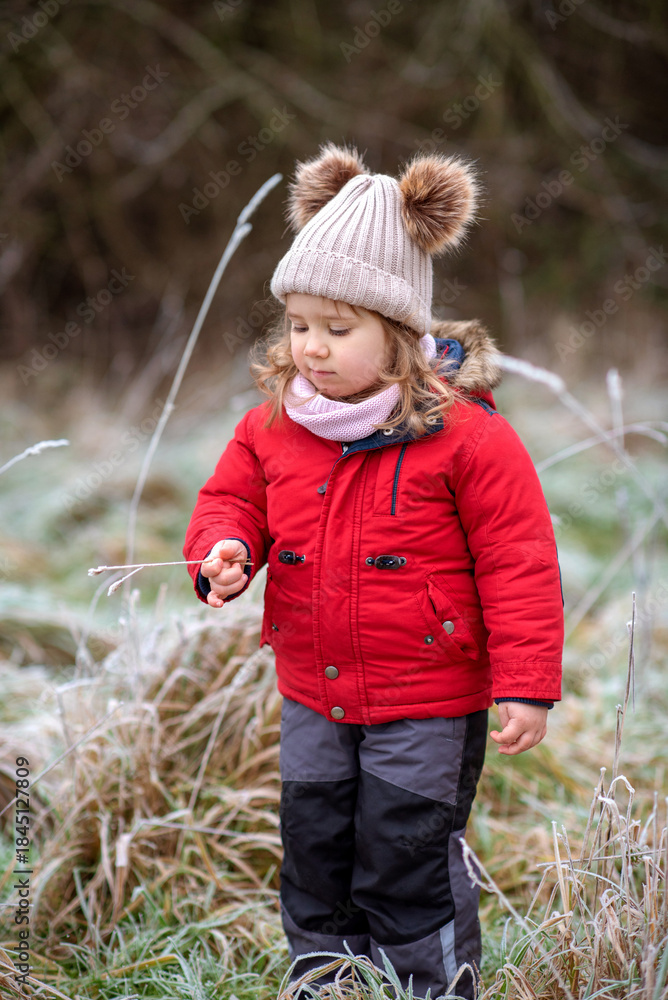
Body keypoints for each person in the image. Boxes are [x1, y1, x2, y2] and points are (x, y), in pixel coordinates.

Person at [183, 143, 564, 1000]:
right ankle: (327, 980)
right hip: (312, 688)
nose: (311, 348)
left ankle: (430, 987)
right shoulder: (274, 425)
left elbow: (519, 560)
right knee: (315, 847)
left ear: (398, 333)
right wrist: (224, 550)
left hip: (428, 696)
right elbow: (229, 501)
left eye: (338, 329)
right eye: (299, 325)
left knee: (403, 854)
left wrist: (527, 682)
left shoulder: (468, 438)